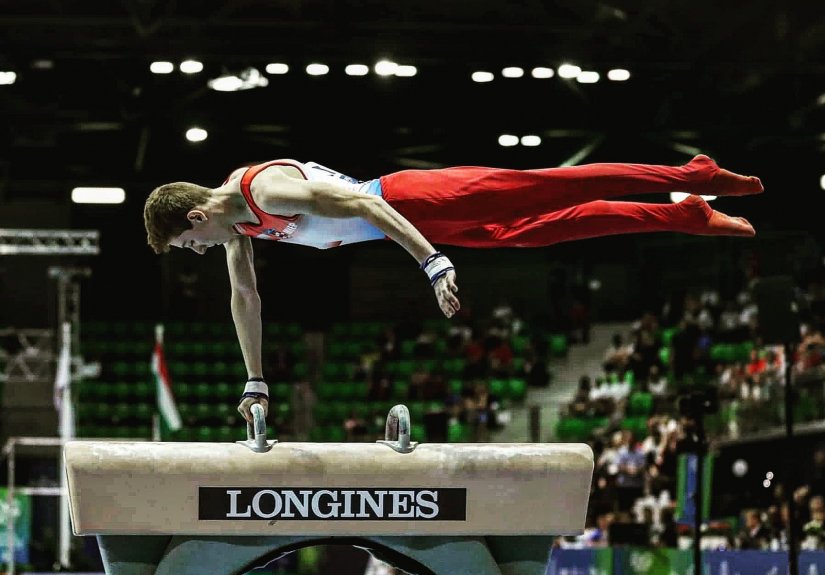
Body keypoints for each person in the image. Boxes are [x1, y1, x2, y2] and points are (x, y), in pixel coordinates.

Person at [143, 155, 763, 422]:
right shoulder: (236, 231)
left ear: (198, 218)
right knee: (547, 231)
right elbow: (244, 298)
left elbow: (363, 201)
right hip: (417, 224)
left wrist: (432, 263)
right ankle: (684, 214)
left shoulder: (265, 190)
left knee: (549, 188)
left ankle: (689, 176)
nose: (198, 253)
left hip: (412, 198)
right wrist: (256, 379)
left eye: (188, 245)